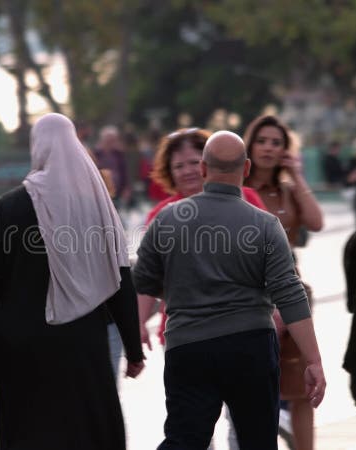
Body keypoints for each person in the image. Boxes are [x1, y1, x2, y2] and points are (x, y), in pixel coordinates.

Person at [133, 130, 325, 450]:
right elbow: (289, 294)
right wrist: (314, 360)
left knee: (185, 439)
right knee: (256, 440)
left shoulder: (165, 220)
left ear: (204, 169)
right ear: (246, 168)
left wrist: (138, 329)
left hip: (188, 348)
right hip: (250, 347)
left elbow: (144, 283)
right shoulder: (265, 224)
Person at [0, 113, 145, 450]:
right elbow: (121, 280)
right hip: (83, 346)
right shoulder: (99, 207)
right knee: (84, 429)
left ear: (38, 148)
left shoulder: (11, 206)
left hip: (21, 347)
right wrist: (134, 350)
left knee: (28, 430)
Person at [136, 127, 266, 450]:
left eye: (194, 162)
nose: (187, 171)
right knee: (194, 433)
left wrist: (276, 313)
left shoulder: (245, 200)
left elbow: (270, 267)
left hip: (244, 334)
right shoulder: (160, 216)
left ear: (208, 163)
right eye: (178, 166)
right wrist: (137, 324)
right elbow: (147, 281)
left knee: (246, 428)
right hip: (185, 338)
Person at [243, 114, 323, 450]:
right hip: (249, 296)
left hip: (290, 294)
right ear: (250, 145)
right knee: (254, 388)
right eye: (262, 141)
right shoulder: (240, 190)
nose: (268, 148)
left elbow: (317, 222)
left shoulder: (288, 191)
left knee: (300, 387)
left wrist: (298, 176)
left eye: (276, 142)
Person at [94, 125, 131, 207]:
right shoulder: (96, 154)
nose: (111, 142)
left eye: (113, 140)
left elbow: (124, 172)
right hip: (100, 190)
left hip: (117, 190)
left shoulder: (118, 154)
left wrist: (126, 188)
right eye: (109, 140)